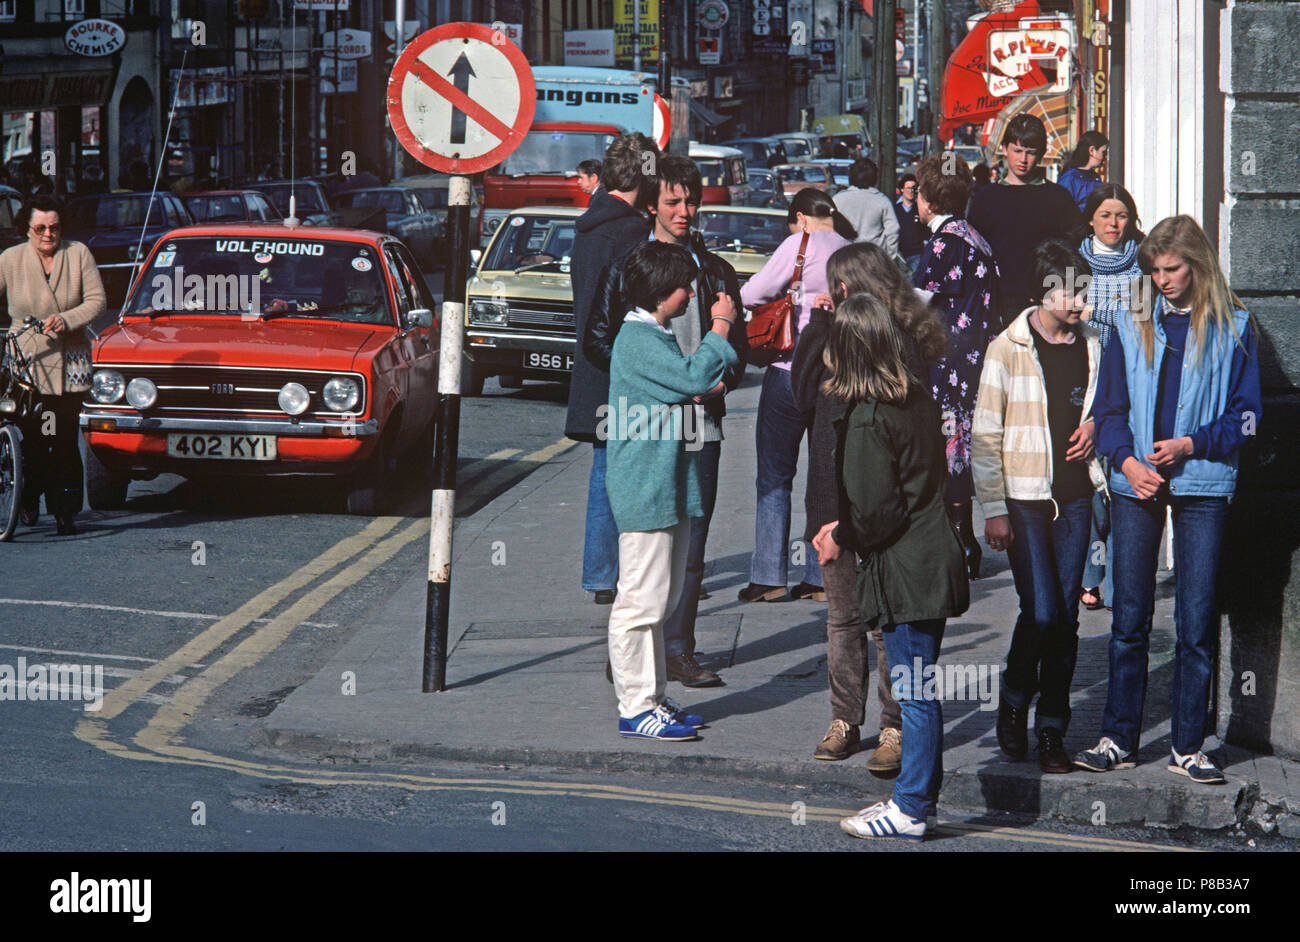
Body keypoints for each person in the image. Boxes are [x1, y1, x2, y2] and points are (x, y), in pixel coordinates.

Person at [1075, 215, 1260, 785]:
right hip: (1137, 485)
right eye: (1154, 271)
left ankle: (1188, 744)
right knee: (1128, 617)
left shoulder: (1235, 326)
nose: (1162, 280)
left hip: (1203, 482)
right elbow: (1105, 411)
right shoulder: (1131, 324)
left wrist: (1191, 443)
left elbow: (1248, 418)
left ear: (1198, 265)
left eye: (1172, 269)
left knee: (1196, 621)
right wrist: (1128, 463)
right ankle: (1117, 738)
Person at [584, 154, 749, 687]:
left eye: (692, 201)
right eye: (673, 201)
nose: (684, 210)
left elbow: (737, 348)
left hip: (703, 421)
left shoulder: (715, 269)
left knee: (691, 541)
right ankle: (631, 657)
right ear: (652, 203)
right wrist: (659, 381)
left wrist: (719, 380)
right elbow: (598, 339)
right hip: (650, 424)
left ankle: (677, 649)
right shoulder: (631, 266)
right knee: (644, 543)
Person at [797, 242, 949, 770]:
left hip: (876, 509)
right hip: (830, 499)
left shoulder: (895, 342)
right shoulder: (829, 337)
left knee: (884, 620)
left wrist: (855, 519)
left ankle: (893, 726)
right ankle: (844, 719)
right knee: (843, 618)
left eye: (835, 285)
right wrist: (817, 330)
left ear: (847, 286)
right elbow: (799, 396)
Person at [824, 293, 969, 841]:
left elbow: (876, 514)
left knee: (914, 695)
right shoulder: (916, 398)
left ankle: (909, 808)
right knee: (919, 689)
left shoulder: (867, 419)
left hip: (909, 570)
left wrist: (839, 532)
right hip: (932, 559)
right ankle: (915, 799)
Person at [972, 240, 1106, 773]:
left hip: (1076, 496)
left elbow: (1109, 405)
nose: (1080, 305)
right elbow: (984, 434)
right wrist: (992, 509)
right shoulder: (1007, 347)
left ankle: (1052, 730)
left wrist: (1097, 425)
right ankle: (1012, 696)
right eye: (1071, 295)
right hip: (1024, 500)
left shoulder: (1094, 344)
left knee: (1067, 618)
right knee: (1043, 610)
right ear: (1045, 292)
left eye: (1084, 294)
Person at [604, 240, 739, 741]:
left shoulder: (652, 334)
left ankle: (653, 697)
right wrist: (720, 325)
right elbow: (691, 376)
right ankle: (635, 706)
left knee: (661, 599)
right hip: (645, 483)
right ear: (662, 291)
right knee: (639, 602)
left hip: (664, 481)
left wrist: (697, 385)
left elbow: (685, 385)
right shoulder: (636, 339)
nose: (689, 295)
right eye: (684, 287)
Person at [737, 188, 855, 603]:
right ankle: (821, 576)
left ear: (802, 217)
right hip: (837, 374)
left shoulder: (797, 244)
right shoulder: (853, 250)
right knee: (827, 471)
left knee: (774, 473)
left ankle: (769, 575)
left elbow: (751, 295)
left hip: (789, 369)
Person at [565, 132, 660, 606]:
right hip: (624, 367)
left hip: (591, 368)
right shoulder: (632, 233)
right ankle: (626, 570)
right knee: (631, 474)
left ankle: (600, 572)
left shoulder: (587, 230)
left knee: (604, 469)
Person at [912, 153, 1001, 580]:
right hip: (974, 353)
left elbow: (915, 306)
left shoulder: (945, 241)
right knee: (960, 441)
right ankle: (964, 540)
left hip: (948, 359)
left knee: (950, 445)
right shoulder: (976, 238)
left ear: (928, 198)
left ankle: (961, 541)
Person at [0, 196, 105, 534]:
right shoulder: (10, 259)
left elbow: (97, 301)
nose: (48, 234)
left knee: (62, 439)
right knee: (31, 437)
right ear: (27, 230)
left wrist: (66, 319)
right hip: (28, 361)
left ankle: (66, 510)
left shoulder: (78, 254)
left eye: (54, 228)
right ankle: (28, 497)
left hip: (70, 361)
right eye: (40, 228)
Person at [1077, 183, 1146, 612]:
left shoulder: (1143, 265)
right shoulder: (1075, 264)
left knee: (1119, 479)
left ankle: (1119, 580)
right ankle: (1090, 575)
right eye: (1105, 215)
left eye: (1120, 215)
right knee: (1090, 486)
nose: (1113, 224)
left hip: (1126, 385)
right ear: (1091, 219)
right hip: (1084, 382)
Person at [967, 114, 1082, 327]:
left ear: (1042, 154)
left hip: (1048, 303)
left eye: (1030, 153)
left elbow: (1071, 253)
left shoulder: (1058, 198)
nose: (1023, 160)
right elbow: (973, 254)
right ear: (1004, 149)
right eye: (1017, 151)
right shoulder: (985, 199)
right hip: (997, 302)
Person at [833, 158, 899, 257]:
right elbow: (893, 231)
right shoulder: (882, 201)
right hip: (874, 257)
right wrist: (889, 256)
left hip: (845, 257)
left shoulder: (837, 200)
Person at [1058, 131, 1109, 211]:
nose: (1105, 157)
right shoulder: (1070, 178)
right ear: (1092, 151)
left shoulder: (1095, 177)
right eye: (1103, 152)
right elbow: (1061, 209)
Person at [893, 173, 927, 275]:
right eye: (908, 188)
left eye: (913, 188)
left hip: (917, 254)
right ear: (902, 189)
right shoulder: (894, 210)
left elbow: (926, 229)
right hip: (899, 255)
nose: (910, 191)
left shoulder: (920, 209)